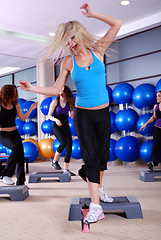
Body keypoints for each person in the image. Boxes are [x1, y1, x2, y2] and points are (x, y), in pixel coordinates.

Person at [19, 3, 122, 224]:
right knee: (91, 157)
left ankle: (99, 187)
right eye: (67, 40)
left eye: (73, 37)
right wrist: (32, 88)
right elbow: (56, 90)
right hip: (83, 116)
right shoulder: (68, 62)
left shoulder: (98, 51)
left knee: (103, 156)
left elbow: (117, 23)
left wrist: (93, 14)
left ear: (80, 35)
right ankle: (96, 206)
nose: (71, 43)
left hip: (103, 113)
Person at [0, 84, 37, 185]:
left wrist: (31, 109)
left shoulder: (15, 104)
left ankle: (20, 182)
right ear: (8, 93)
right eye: (14, 92)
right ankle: (5, 175)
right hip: (3, 134)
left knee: (20, 156)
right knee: (16, 148)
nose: (16, 94)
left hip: (14, 133)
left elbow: (23, 118)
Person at [48, 86, 75, 172]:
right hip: (56, 126)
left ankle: (66, 169)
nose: (62, 93)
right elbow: (49, 116)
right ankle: (55, 161)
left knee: (69, 146)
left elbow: (72, 114)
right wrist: (55, 120)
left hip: (65, 125)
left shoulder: (69, 103)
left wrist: (72, 114)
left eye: (63, 91)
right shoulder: (55, 101)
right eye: (60, 91)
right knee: (63, 142)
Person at [140, 90, 161, 171]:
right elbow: (154, 117)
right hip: (157, 128)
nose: (157, 97)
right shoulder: (156, 106)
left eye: (159, 96)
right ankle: (151, 163)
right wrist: (145, 124)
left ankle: (155, 162)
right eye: (157, 96)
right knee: (155, 144)